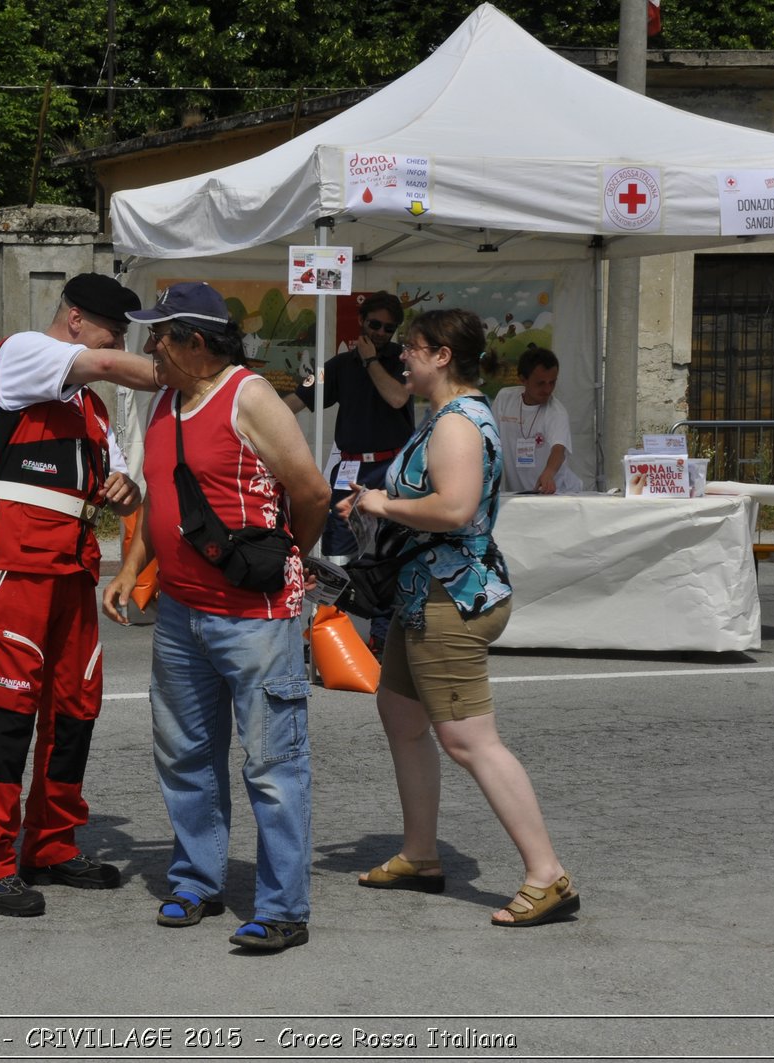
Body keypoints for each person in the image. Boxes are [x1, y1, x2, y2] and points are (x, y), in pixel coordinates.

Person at [103, 282, 330, 952]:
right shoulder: (167, 400)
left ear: (195, 343)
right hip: (181, 613)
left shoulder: (248, 396)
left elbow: (311, 490)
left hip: (254, 616)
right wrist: (130, 566)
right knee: (185, 754)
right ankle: (197, 880)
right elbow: (160, 498)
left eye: (159, 337)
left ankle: (283, 906)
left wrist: (289, 552)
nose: (150, 350)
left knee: (271, 761)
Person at [340, 307, 577, 928]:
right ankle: (421, 855)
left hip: (449, 598)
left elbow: (455, 507)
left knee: (469, 740)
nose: (403, 358)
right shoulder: (449, 417)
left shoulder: (459, 423)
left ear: (443, 355)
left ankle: (546, 874)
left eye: (413, 348)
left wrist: (377, 501)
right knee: (400, 713)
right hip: (425, 596)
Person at [0, 272, 156, 917]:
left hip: (72, 562)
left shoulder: (92, 409)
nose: (119, 345)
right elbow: (103, 363)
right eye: (114, 330)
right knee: (5, 711)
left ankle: (51, 843)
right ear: (75, 320)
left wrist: (126, 489)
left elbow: (121, 476)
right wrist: (186, 370)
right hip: (13, 557)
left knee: (76, 709)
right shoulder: (23, 352)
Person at [285, 291, 414, 653]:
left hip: (389, 465)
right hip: (351, 465)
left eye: (389, 328)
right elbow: (297, 401)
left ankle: (384, 635)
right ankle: (332, 631)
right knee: (339, 548)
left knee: (386, 548)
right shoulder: (338, 365)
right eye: (375, 324)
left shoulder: (401, 360)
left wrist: (372, 361)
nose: (382, 332)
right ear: (362, 322)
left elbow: (397, 399)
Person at [490, 344, 582, 495]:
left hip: (558, 493)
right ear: (523, 380)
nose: (547, 389)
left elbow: (559, 449)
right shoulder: (504, 399)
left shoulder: (556, 412)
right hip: (519, 493)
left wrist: (549, 473)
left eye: (552, 382)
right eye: (540, 383)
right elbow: (490, 441)